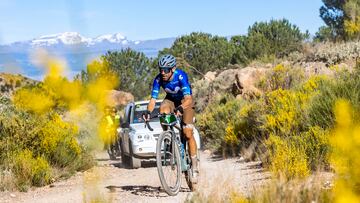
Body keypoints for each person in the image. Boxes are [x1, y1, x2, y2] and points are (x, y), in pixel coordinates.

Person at [143, 54, 199, 183]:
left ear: (173, 69)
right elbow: (153, 100)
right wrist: (148, 111)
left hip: (185, 101)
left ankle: (195, 166)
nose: (163, 72)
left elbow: (189, 98)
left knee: (187, 133)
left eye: (166, 70)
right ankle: (168, 137)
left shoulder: (181, 76)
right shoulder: (158, 79)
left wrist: (180, 108)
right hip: (171, 100)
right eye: (161, 69)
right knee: (163, 111)